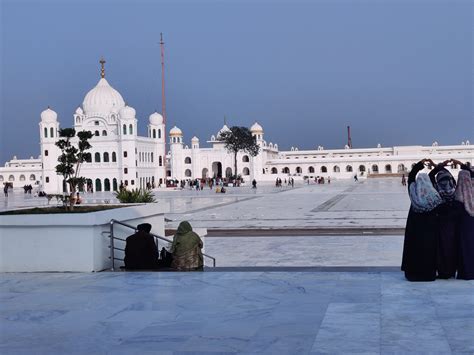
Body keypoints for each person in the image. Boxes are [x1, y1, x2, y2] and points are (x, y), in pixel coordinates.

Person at [401, 158, 443, 281]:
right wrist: (438, 167)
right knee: (428, 251)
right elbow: (429, 177)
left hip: (414, 230)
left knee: (415, 251)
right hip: (430, 231)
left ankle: (413, 274)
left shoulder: (413, 192)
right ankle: (428, 274)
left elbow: (411, 177)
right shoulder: (434, 197)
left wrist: (420, 164)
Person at [430, 160, 464, 279]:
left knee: (441, 249)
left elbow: (430, 177)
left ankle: (443, 272)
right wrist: (458, 163)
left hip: (440, 227)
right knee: (452, 248)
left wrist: (438, 167)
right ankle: (450, 271)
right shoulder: (456, 196)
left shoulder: (436, 196)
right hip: (453, 229)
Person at [453, 161, 474, 280]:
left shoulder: (458, 195)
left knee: (464, 249)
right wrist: (462, 164)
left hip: (463, 227)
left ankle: (465, 273)